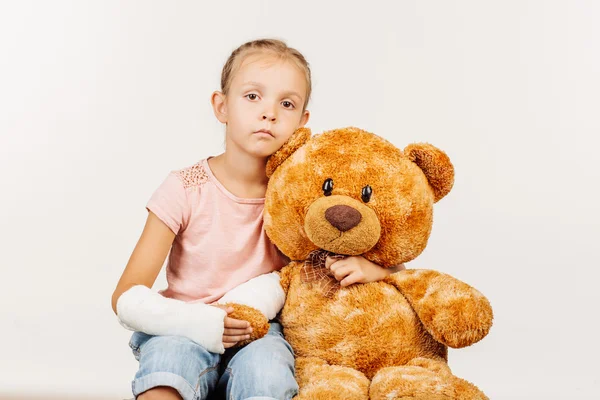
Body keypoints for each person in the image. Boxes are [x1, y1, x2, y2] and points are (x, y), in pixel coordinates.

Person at [111, 38, 404, 400]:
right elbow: (126, 295)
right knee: (166, 368)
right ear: (222, 106)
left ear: (302, 122)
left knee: (268, 374)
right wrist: (201, 323)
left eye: (286, 103)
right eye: (252, 96)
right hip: (183, 324)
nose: (269, 113)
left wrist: (375, 270)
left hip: (261, 333)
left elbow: (397, 273)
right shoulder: (185, 188)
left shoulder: (304, 198)